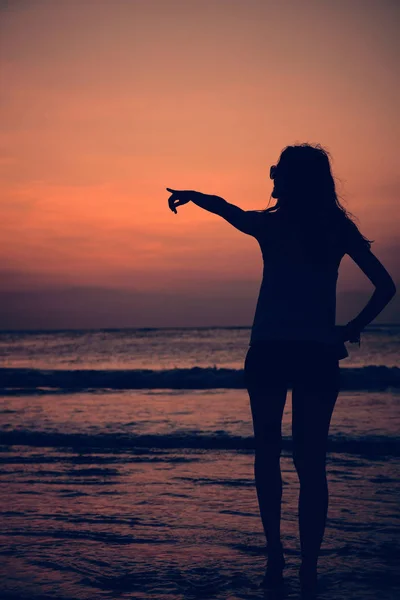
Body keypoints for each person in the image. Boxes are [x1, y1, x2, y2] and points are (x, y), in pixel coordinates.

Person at [166, 143, 396, 597]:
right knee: (311, 463)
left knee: (269, 455)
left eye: (276, 172)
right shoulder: (336, 229)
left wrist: (195, 195)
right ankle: (305, 569)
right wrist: (349, 329)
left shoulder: (271, 225)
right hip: (314, 354)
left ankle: (277, 559)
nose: (270, 178)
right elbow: (385, 287)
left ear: (290, 179)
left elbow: (228, 210)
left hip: (272, 351)